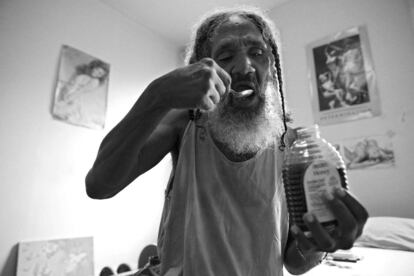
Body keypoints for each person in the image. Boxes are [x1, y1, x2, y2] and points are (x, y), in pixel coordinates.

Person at [86, 7, 368, 276]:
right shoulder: (185, 123)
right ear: (202, 69)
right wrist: (156, 95)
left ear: (271, 67)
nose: (245, 67)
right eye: (225, 55)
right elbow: (99, 185)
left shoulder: (292, 145)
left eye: (257, 52)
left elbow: (295, 262)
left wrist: (318, 244)